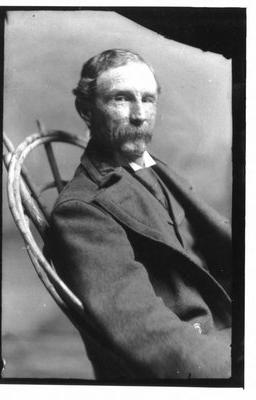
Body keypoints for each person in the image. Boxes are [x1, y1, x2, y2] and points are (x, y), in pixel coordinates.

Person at [46, 49, 232, 380]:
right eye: (121, 99)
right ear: (86, 110)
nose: (139, 114)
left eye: (148, 100)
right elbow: (146, 332)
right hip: (205, 349)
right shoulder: (81, 210)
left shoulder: (152, 168)